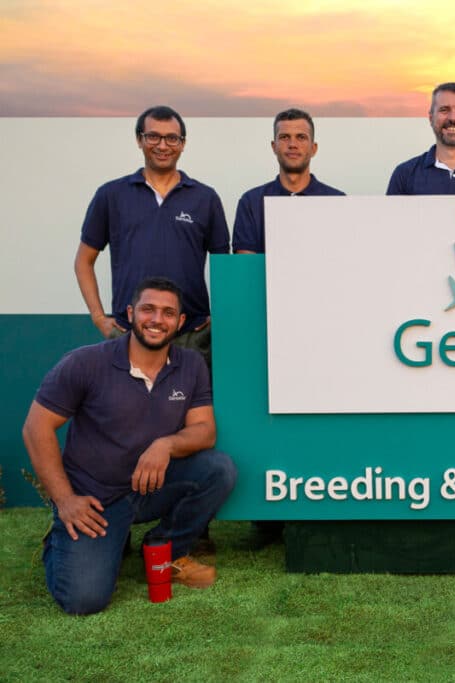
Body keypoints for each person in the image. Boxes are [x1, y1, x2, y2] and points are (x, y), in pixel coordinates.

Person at [22, 277, 237, 615]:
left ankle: (164, 548)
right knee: (84, 600)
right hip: (96, 498)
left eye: (168, 313)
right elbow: (36, 428)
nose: (157, 320)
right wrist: (64, 500)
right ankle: (62, 537)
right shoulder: (85, 363)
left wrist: (165, 445)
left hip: (151, 487)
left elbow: (204, 431)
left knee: (219, 470)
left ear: (180, 322)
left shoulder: (191, 365)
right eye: (148, 309)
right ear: (130, 313)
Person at [74, 105, 230, 368]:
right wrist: (99, 318)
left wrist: (220, 314)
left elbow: (225, 265)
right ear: (139, 140)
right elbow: (83, 261)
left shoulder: (205, 198)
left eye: (172, 138)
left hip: (192, 337)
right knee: (127, 410)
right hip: (129, 334)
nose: (163, 145)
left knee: (196, 410)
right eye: (153, 136)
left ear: (182, 145)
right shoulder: (111, 196)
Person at [233, 108, 345, 254]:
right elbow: (246, 266)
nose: (293, 144)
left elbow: (343, 260)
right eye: (285, 137)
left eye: (301, 137)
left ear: (313, 148)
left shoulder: (338, 202)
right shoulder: (251, 202)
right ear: (274, 147)